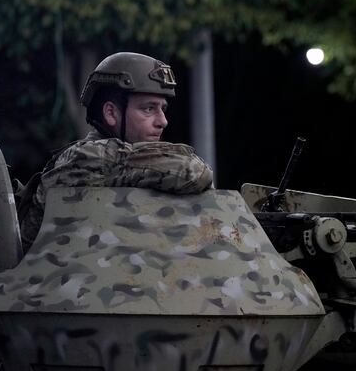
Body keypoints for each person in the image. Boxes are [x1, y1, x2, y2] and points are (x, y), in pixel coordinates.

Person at [17, 52, 213, 250]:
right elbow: (193, 172)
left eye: (163, 109)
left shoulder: (123, 170)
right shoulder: (87, 158)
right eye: (149, 109)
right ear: (111, 113)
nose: (163, 121)